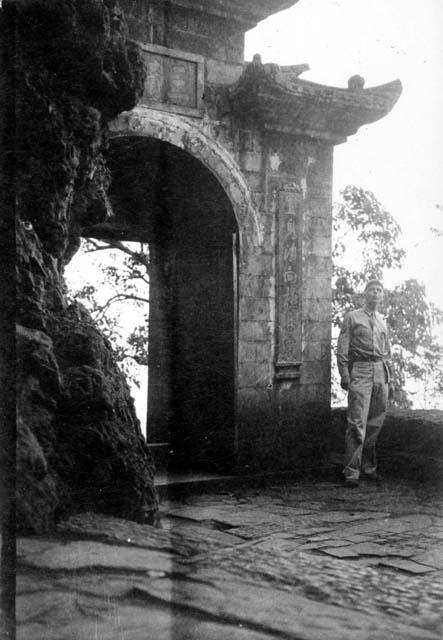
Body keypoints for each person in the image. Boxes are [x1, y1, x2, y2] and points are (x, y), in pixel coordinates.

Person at [337, 279, 392, 487]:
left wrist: (389, 377)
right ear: (365, 294)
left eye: (379, 290)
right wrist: (344, 374)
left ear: (382, 296)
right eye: (372, 290)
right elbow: (342, 348)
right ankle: (351, 472)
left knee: (375, 422)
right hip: (360, 370)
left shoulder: (382, 320)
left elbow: (387, 352)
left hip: (380, 371)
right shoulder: (352, 317)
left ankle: (369, 468)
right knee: (356, 422)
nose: (375, 294)